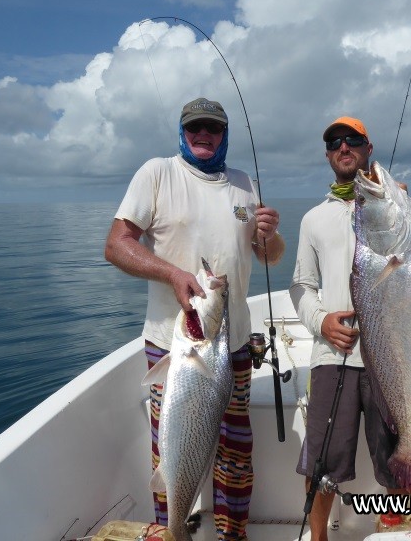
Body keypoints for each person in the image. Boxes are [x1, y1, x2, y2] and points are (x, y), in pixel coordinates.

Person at [105, 97, 285, 541]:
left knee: (235, 449)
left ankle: (232, 534)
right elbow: (116, 244)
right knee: (171, 447)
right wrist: (171, 273)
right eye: (194, 128)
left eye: (213, 128)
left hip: (235, 342)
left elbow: (271, 256)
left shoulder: (245, 183)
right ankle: (173, 530)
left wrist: (271, 236)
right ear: (182, 132)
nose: (203, 135)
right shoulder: (157, 174)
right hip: (174, 342)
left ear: (224, 135)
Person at [290, 116, 411, 541]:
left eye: (353, 140)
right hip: (333, 355)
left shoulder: (393, 201)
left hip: (392, 355)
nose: (344, 147)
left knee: (395, 449)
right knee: (321, 460)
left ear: (368, 147)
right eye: (334, 143)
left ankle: (394, 527)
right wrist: (320, 322)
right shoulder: (313, 219)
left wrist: (400, 206)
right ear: (328, 155)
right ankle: (320, 537)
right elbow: (301, 286)